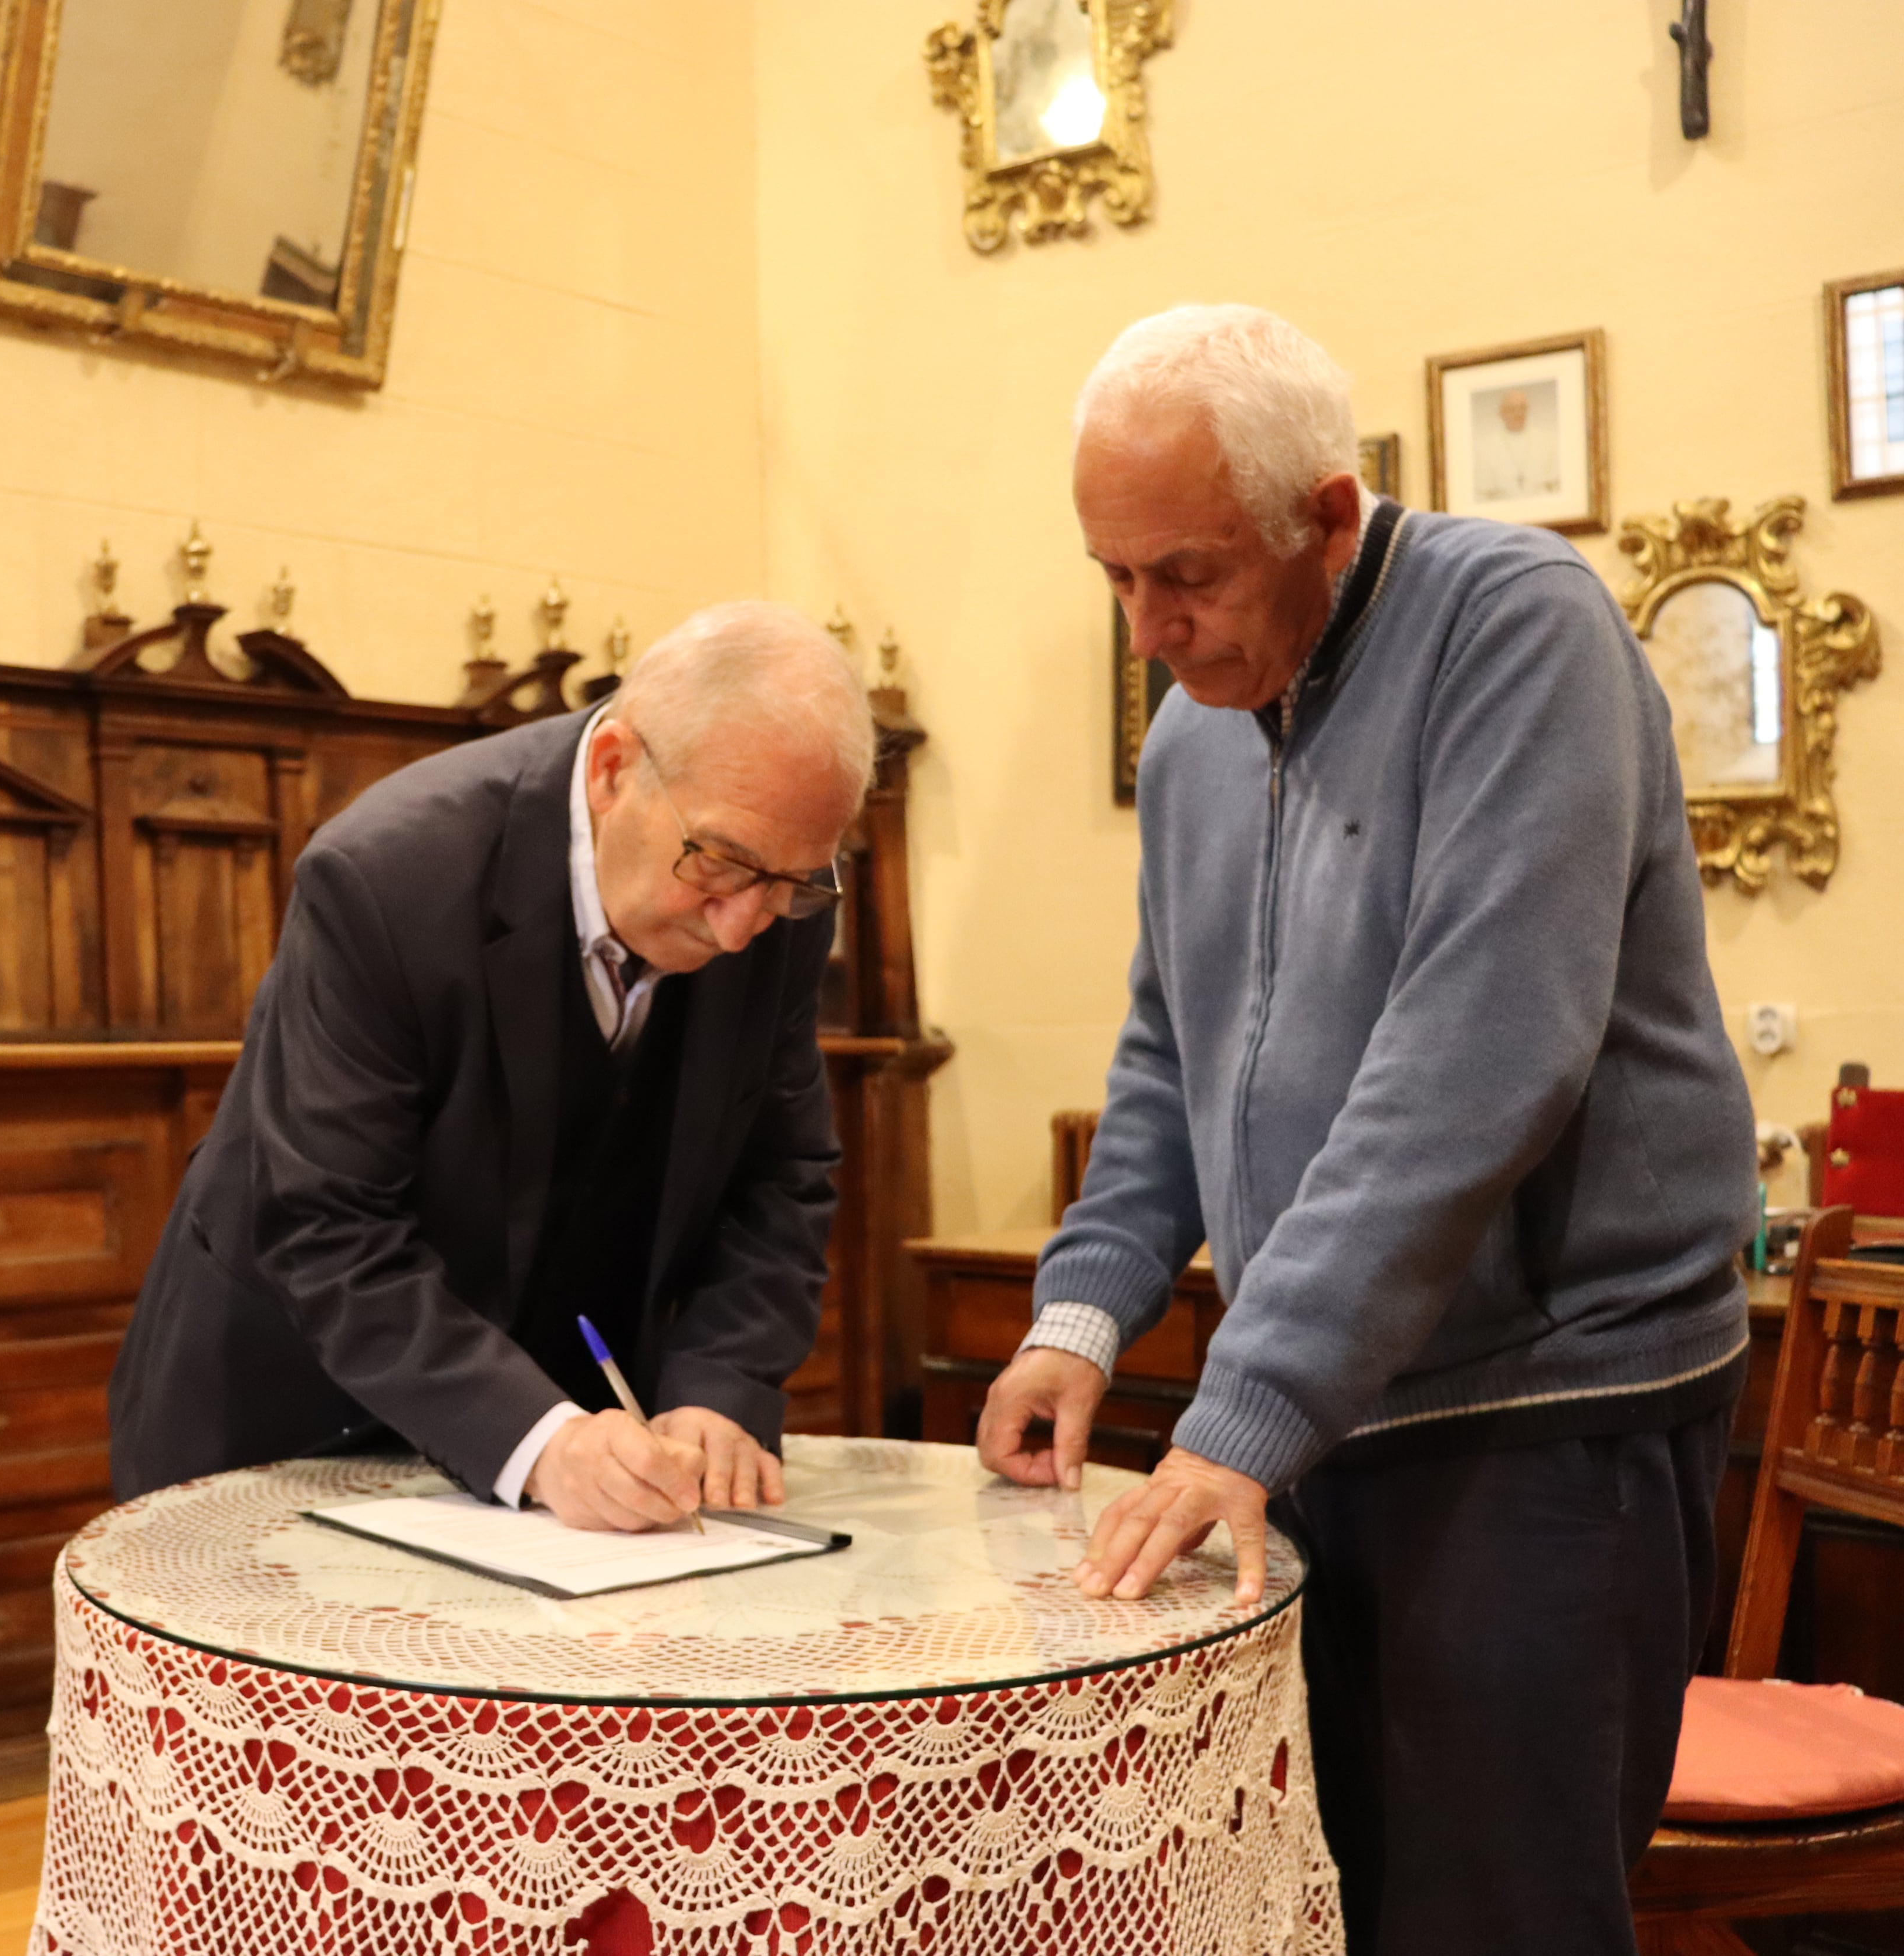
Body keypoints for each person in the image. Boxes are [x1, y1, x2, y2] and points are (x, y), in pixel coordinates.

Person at [977, 305, 1756, 1955]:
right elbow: (1167, 1051)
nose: (1146, 629)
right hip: (1329, 1413)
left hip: (1546, 1405)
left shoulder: (1519, 631)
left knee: (1499, 1923)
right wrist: (1085, 1310)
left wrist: (1246, 1401)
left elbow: (1481, 1061)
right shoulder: (1195, 727)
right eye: (1113, 577)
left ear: (1325, 516)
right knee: (1319, 1907)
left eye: (1182, 571)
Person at [109, 602, 871, 1533]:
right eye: (720, 864)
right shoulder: (387, 876)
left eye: (792, 883)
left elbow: (779, 1174)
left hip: (562, 1440)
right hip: (289, 1413)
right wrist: (538, 1440)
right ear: (612, 769)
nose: (744, 924)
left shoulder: (781, 888)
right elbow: (328, 1226)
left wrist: (719, 1386)